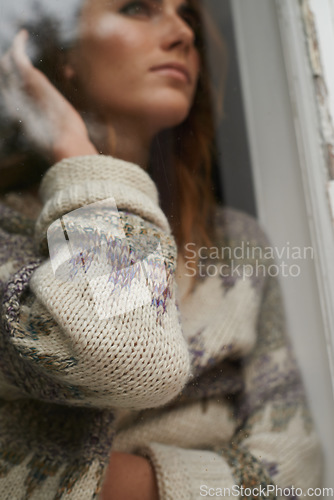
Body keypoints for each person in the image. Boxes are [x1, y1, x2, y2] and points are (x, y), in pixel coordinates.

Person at [0, 0, 323, 499]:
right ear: (61, 56)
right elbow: (133, 360)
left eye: (186, 16)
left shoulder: (236, 245)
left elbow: (297, 477)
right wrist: (78, 155)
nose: (182, 33)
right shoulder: (7, 234)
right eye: (138, 8)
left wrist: (76, 479)